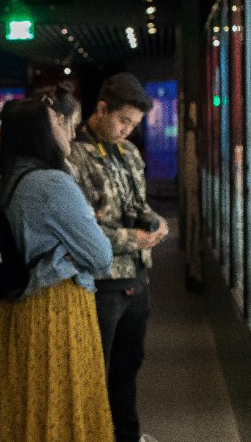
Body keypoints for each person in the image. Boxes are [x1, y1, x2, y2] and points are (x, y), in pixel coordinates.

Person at [0, 95, 114, 442]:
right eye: (56, 121)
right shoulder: (52, 184)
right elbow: (101, 255)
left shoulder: (12, 180)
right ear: (39, 132)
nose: (65, 126)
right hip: (58, 309)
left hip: (22, 309)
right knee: (64, 404)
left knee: (28, 404)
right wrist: (67, 257)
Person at [66, 73, 168, 442]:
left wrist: (154, 223)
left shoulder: (129, 153)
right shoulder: (73, 154)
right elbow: (81, 230)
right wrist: (133, 238)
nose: (127, 130)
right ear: (101, 108)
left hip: (137, 276)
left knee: (129, 364)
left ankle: (126, 434)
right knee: (95, 368)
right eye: (122, 120)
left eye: (134, 124)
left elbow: (136, 204)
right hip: (101, 280)